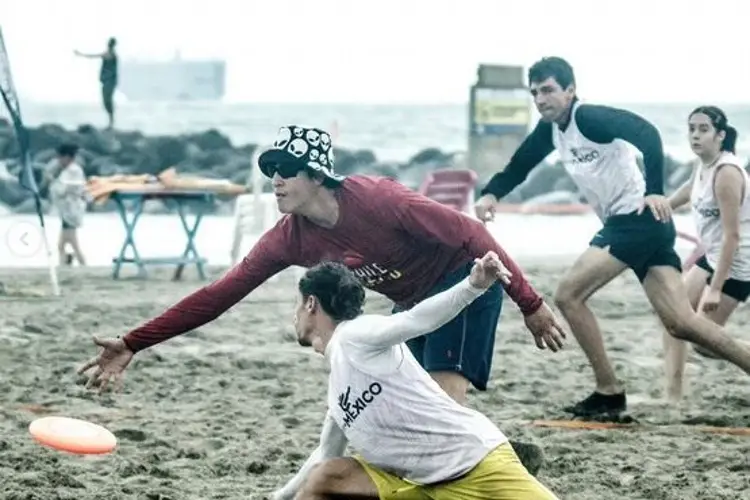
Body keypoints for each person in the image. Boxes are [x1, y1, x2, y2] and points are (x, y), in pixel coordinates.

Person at [77, 124, 566, 473]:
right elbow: (218, 295)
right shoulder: (289, 238)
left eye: (287, 170)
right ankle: (502, 457)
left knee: (440, 406)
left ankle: (489, 469)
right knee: (411, 410)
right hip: (411, 303)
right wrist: (135, 342)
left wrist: (530, 303)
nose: (276, 179)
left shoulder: (381, 200)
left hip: (463, 283)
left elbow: (471, 234)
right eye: (271, 170)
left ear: (317, 175)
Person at [474, 56, 750, 418]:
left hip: (635, 220)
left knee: (569, 295)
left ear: (570, 91)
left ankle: (608, 392)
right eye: (534, 92)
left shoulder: (588, 117)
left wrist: (655, 189)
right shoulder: (552, 130)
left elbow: (648, 133)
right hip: (645, 227)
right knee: (682, 323)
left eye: (548, 90)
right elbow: (521, 165)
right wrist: (493, 192)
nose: (540, 99)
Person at [268, 252, 559, 500]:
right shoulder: (338, 390)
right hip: (418, 486)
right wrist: (279, 496)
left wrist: (473, 285)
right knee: (324, 479)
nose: (294, 315)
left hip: (475, 465)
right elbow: (325, 454)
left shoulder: (355, 334)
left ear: (311, 304)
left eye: (298, 304)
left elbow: (415, 319)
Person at [663, 106, 750, 402]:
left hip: (737, 263)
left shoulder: (727, 173)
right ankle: (673, 395)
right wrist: (661, 208)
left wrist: (714, 290)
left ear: (720, 135)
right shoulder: (704, 164)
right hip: (712, 257)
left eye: (703, 129)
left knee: (703, 342)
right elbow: (689, 189)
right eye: (692, 129)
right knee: (674, 317)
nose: (695, 135)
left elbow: (733, 237)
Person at [47, 143, 88, 266]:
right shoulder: (70, 171)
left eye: (60, 157)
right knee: (65, 243)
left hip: (71, 210)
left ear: (67, 157)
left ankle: (78, 263)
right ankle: (69, 264)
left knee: (68, 243)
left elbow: (63, 189)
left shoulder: (73, 171)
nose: (58, 160)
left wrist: (51, 180)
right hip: (68, 211)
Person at [75, 37, 118, 129]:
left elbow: (112, 70)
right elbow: (93, 56)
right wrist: (81, 54)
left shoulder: (112, 55)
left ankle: (111, 122)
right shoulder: (108, 54)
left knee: (108, 101)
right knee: (106, 101)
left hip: (109, 82)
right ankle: (111, 121)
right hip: (106, 81)